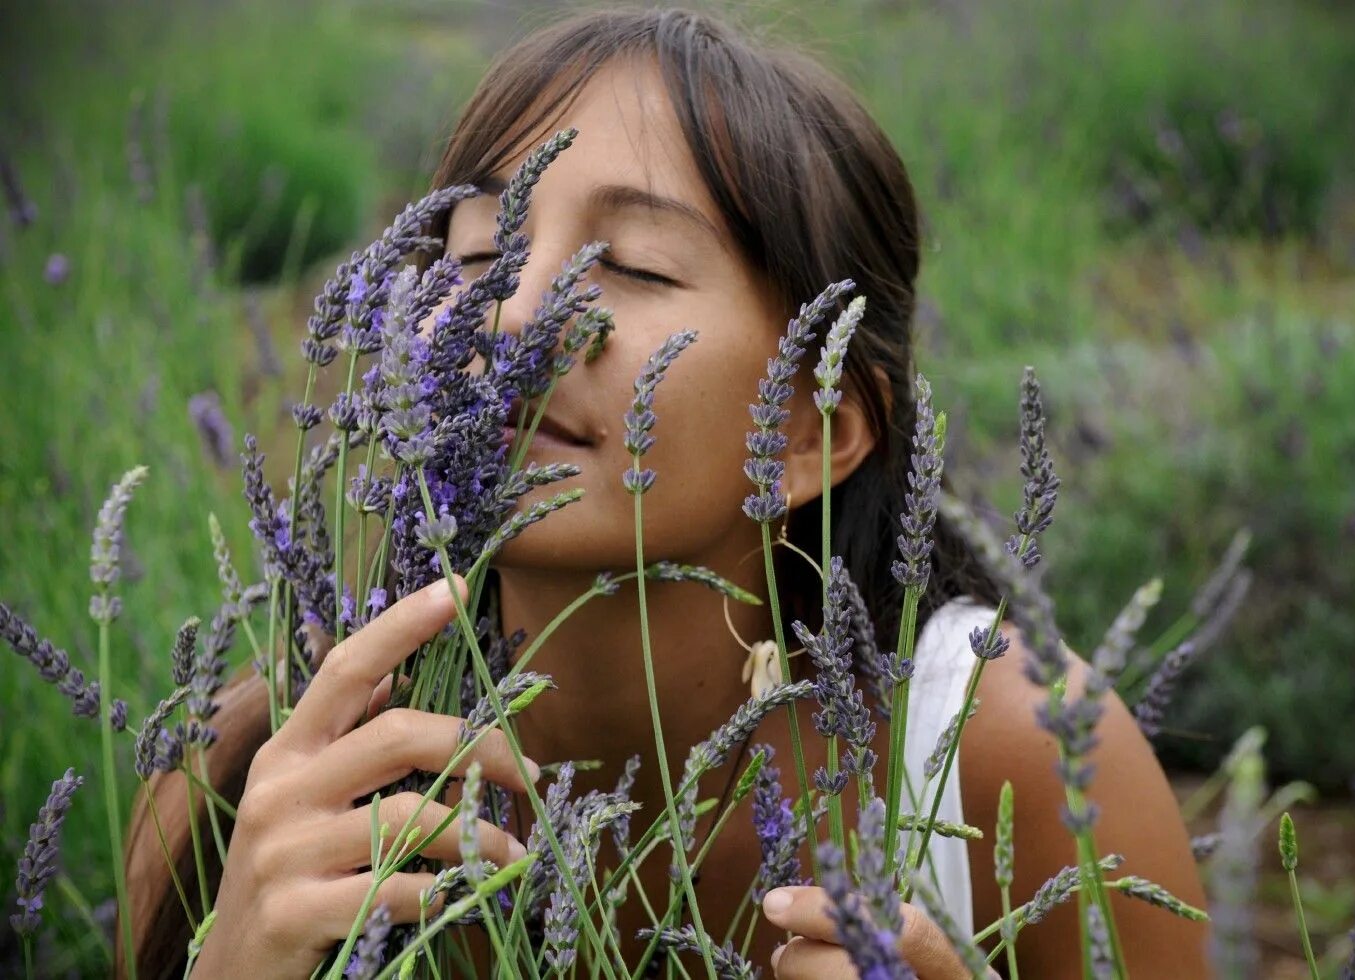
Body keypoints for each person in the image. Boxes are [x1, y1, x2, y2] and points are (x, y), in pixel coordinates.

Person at [126, 8, 1209, 977]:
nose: (513, 315)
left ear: (812, 426)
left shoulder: (1008, 757)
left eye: (633, 265)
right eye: (473, 258)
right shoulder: (242, 776)